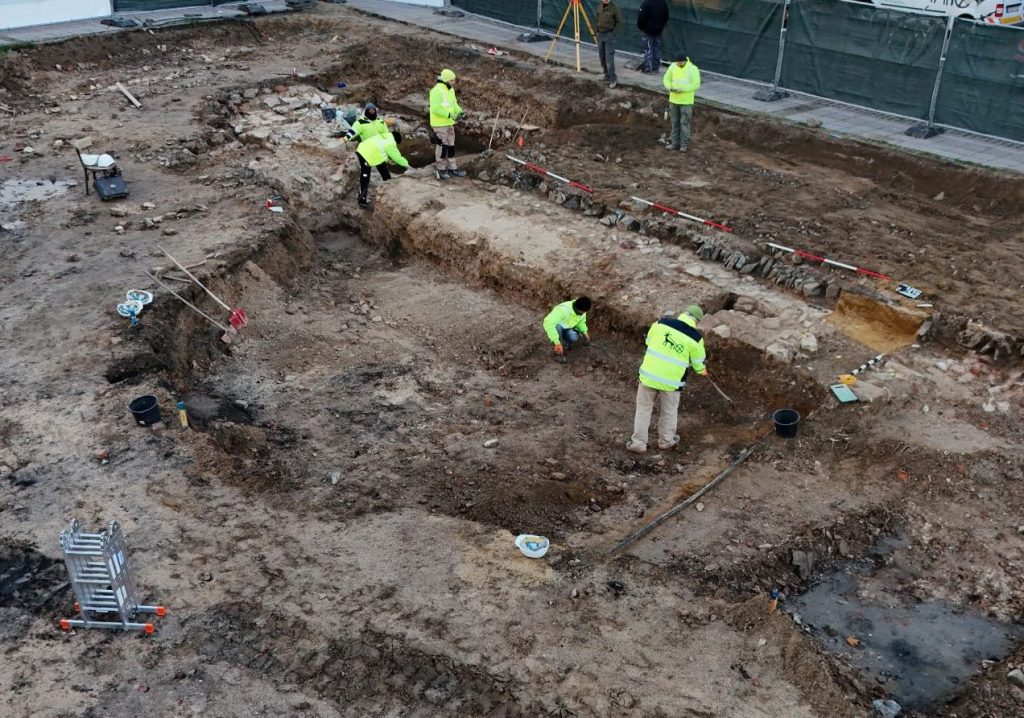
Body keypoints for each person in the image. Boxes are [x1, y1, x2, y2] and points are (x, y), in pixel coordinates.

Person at [628, 305, 707, 453]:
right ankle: (666, 441)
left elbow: (649, 341)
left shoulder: (661, 323)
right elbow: (698, 364)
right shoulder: (696, 338)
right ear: (696, 321)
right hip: (671, 383)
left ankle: (638, 443)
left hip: (649, 376)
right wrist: (703, 371)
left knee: (643, 409)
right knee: (669, 412)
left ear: (683, 314)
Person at [429, 68, 466, 181]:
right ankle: (441, 170)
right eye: (451, 80)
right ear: (445, 80)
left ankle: (452, 168)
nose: (454, 82)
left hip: (449, 123)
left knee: (451, 146)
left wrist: (459, 111)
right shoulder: (436, 91)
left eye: (454, 80)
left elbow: (454, 104)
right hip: (440, 124)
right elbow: (435, 109)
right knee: (442, 146)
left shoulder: (450, 90)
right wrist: (450, 115)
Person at [355, 130, 408, 208]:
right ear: (396, 140)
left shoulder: (386, 135)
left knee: (384, 171)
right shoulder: (390, 143)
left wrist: (387, 160)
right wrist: (407, 165)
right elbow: (397, 157)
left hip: (368, 150)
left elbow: (382, 149)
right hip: (365, 154)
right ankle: (361, 200)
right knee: (365, 177)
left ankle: (390, 188)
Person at [662, 52, 701, 152]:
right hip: (674, 100)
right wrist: (669, 86)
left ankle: (683, 145)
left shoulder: (692, 69)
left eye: (680, 62)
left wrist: (683, 89)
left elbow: (696, 84)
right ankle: (674, 143)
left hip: (686, 101)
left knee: (684, 123)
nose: (678, 64)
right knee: (674, 123)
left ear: (684, 60)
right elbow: (666, 79)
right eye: (677, 62)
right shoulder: (672, 66)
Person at [637, 0, 669, 74]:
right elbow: (666, 17)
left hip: (647, 30)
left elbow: (641, 16)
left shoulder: (646, 3)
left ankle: (648, 68)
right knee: (656, 49)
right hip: (658, 30)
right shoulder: (663, 2)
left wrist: (641, 27)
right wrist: (661, 27)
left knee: (648, 49)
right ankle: (655, 68)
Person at [596, 0, 622, 89]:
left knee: (609, 58)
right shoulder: (599, 6)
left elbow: (619, 22)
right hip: (600, 34)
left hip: (609, 35)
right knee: (602, 57)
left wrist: (613, 34)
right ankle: (606, 75)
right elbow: (597, 18)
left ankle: (613, 79)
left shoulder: (614, 8)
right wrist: (597, 31)